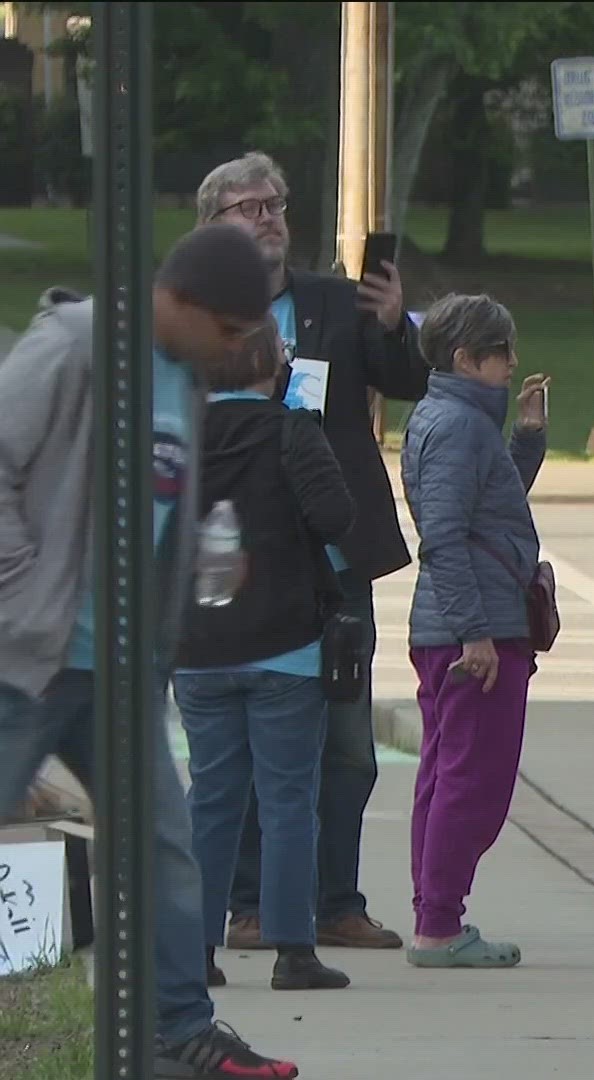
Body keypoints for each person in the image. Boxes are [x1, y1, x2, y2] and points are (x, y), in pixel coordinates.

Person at [0, 223, 300, 1077]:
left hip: (117, 666)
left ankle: (176, 1030)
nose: (238, 351)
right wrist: (19, 597)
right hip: (28, 658)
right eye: (234, 334)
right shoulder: (75, 347)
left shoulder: (182, 376)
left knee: (162, 841)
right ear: (184, 304)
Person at [197, 151, 430, 952]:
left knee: (347, 747)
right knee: (243, 753)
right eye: (249, 207)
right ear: (214, 225)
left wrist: (396, 324)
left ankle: (337, 902)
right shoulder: (190, 315)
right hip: (241, 562)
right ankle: (253, 907)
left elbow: (406, 381)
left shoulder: (333, 300)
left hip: (334, 565)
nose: (268, 217)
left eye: (277, 203)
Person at [173, 324, 356, 993]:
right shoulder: (292, 431)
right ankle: (291, 949)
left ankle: (194, 948)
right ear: (270, 367)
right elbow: (336, 516)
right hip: (286, 643)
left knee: (211, 798)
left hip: (198, 642)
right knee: (287, 798)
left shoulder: (181, 431)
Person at [401, 294, 550, 969]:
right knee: (473, 780)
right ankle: (439, 922)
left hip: (461, 622)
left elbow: (493, 506)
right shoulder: (457, 427)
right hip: (475, 628)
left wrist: (527, 439)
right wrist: (474, 634)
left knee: (445, 773)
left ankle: (436, 912)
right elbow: (447, 534)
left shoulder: (454, 420)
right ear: (466, 358)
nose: (513, 365)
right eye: (501, 355)